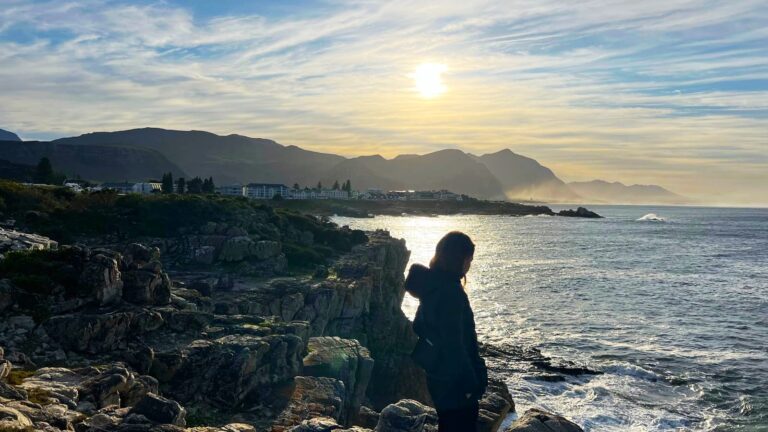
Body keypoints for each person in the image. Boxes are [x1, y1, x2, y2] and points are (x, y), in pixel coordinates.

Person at [405, 231, 487, 432]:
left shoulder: (432, 285)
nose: (469, 264)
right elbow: (455, 346)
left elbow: (421, 326)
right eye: (469, 259)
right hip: (455, 382)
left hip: (437, 374)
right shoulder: (451, 292)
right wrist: (471, 384)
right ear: (459, 258)